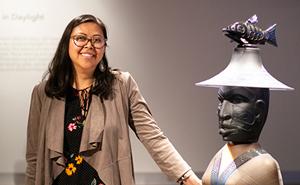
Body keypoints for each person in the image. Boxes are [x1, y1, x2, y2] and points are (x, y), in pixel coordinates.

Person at [25, 14, 202, 185]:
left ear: (104, 47)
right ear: (67, 43)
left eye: (97, 40)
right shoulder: (43, 93)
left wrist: (186, 177)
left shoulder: (121, 85)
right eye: (80, 38)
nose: (89, 45)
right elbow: (34, 158)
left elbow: (152, 136)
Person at [201, 86, 283, 185]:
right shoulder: (222, 154)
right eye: (221, 101)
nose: (223, 113)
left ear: (259, 111)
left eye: (237, 101)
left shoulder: (265, 165)